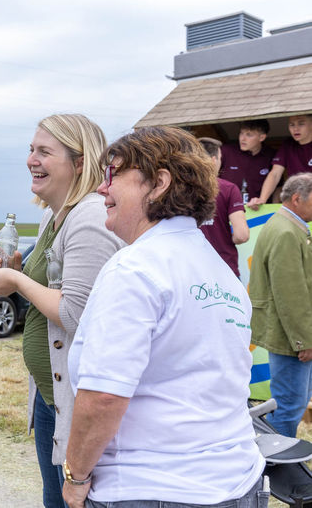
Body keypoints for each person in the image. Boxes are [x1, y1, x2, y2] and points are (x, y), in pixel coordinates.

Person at [63, 126, 264, 507]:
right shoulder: (219, 271)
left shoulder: (135, 268)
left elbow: (104, 395)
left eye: (114, 174)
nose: (102, 189)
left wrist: (76, 475)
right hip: (237, 482)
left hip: (152, 487)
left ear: (158, 183)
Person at [0, 114, 123, 507]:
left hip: (79, 401)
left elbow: (77, 314)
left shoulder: (90, 217)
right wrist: (17, 272)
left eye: (44, 151)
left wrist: (18, 283)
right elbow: (52, 295)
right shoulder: (52, 216)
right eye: (31, 150)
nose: (31, 159)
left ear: (79, 162)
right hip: (53, 397)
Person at [249, 172, 312, 438]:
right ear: (297, 199)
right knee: (290, 406)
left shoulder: (285, 225)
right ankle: (276, 464)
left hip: (290, 333)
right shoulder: (286, 231)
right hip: (291, 337)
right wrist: (304, 341)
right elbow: (291, 294)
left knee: (290, 403)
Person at [198, 137, 249, 277]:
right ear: (214, 160)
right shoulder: (229, 189)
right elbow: (242, 235)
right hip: (225, 269)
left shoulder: (178, 191)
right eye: (221, 158)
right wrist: (224, 238)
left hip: (192, 272)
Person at [248, 114, 312, 210]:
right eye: (292, 125)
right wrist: (262, 199)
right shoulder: (288, 145)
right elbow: (275, 173)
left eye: (301, 124)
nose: (296, 129)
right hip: (296, 200)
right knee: (279, 192)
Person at [219, 119, 274, 202]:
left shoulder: (271, 155)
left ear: (262, 137)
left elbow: (277, 187)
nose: (242, 138)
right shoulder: (226, 151)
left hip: (259, 210)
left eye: (249, 135)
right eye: (241, 133)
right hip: (227, 208)